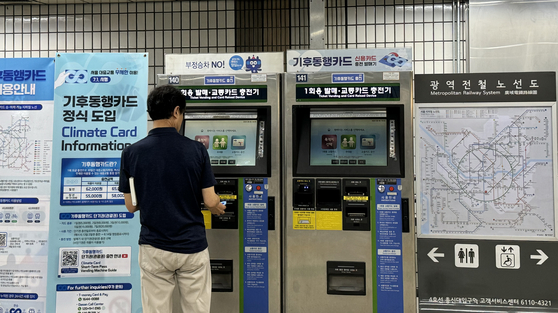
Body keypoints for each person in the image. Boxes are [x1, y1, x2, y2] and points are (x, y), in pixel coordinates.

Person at [118, 85, 226, 313]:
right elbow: (210, 200)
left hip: (154, 247)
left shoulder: (131, 153)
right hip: (191, 246)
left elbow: (131, 206)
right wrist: (218, 205)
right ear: (177, 111)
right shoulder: (196, 150)